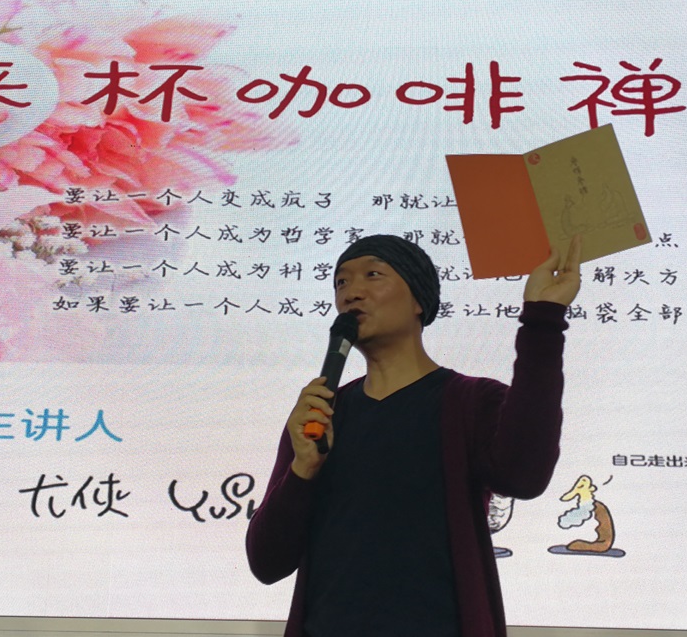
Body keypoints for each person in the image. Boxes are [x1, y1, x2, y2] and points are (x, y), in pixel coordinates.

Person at [245, 233, 582, 637]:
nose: (352, 292)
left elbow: (524, 477)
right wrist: (302, 469)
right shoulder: (320, 415)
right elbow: (266, 563)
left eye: (373, 275)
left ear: (419, 300)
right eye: (341, 282)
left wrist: (543, 320)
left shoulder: (471, 402)